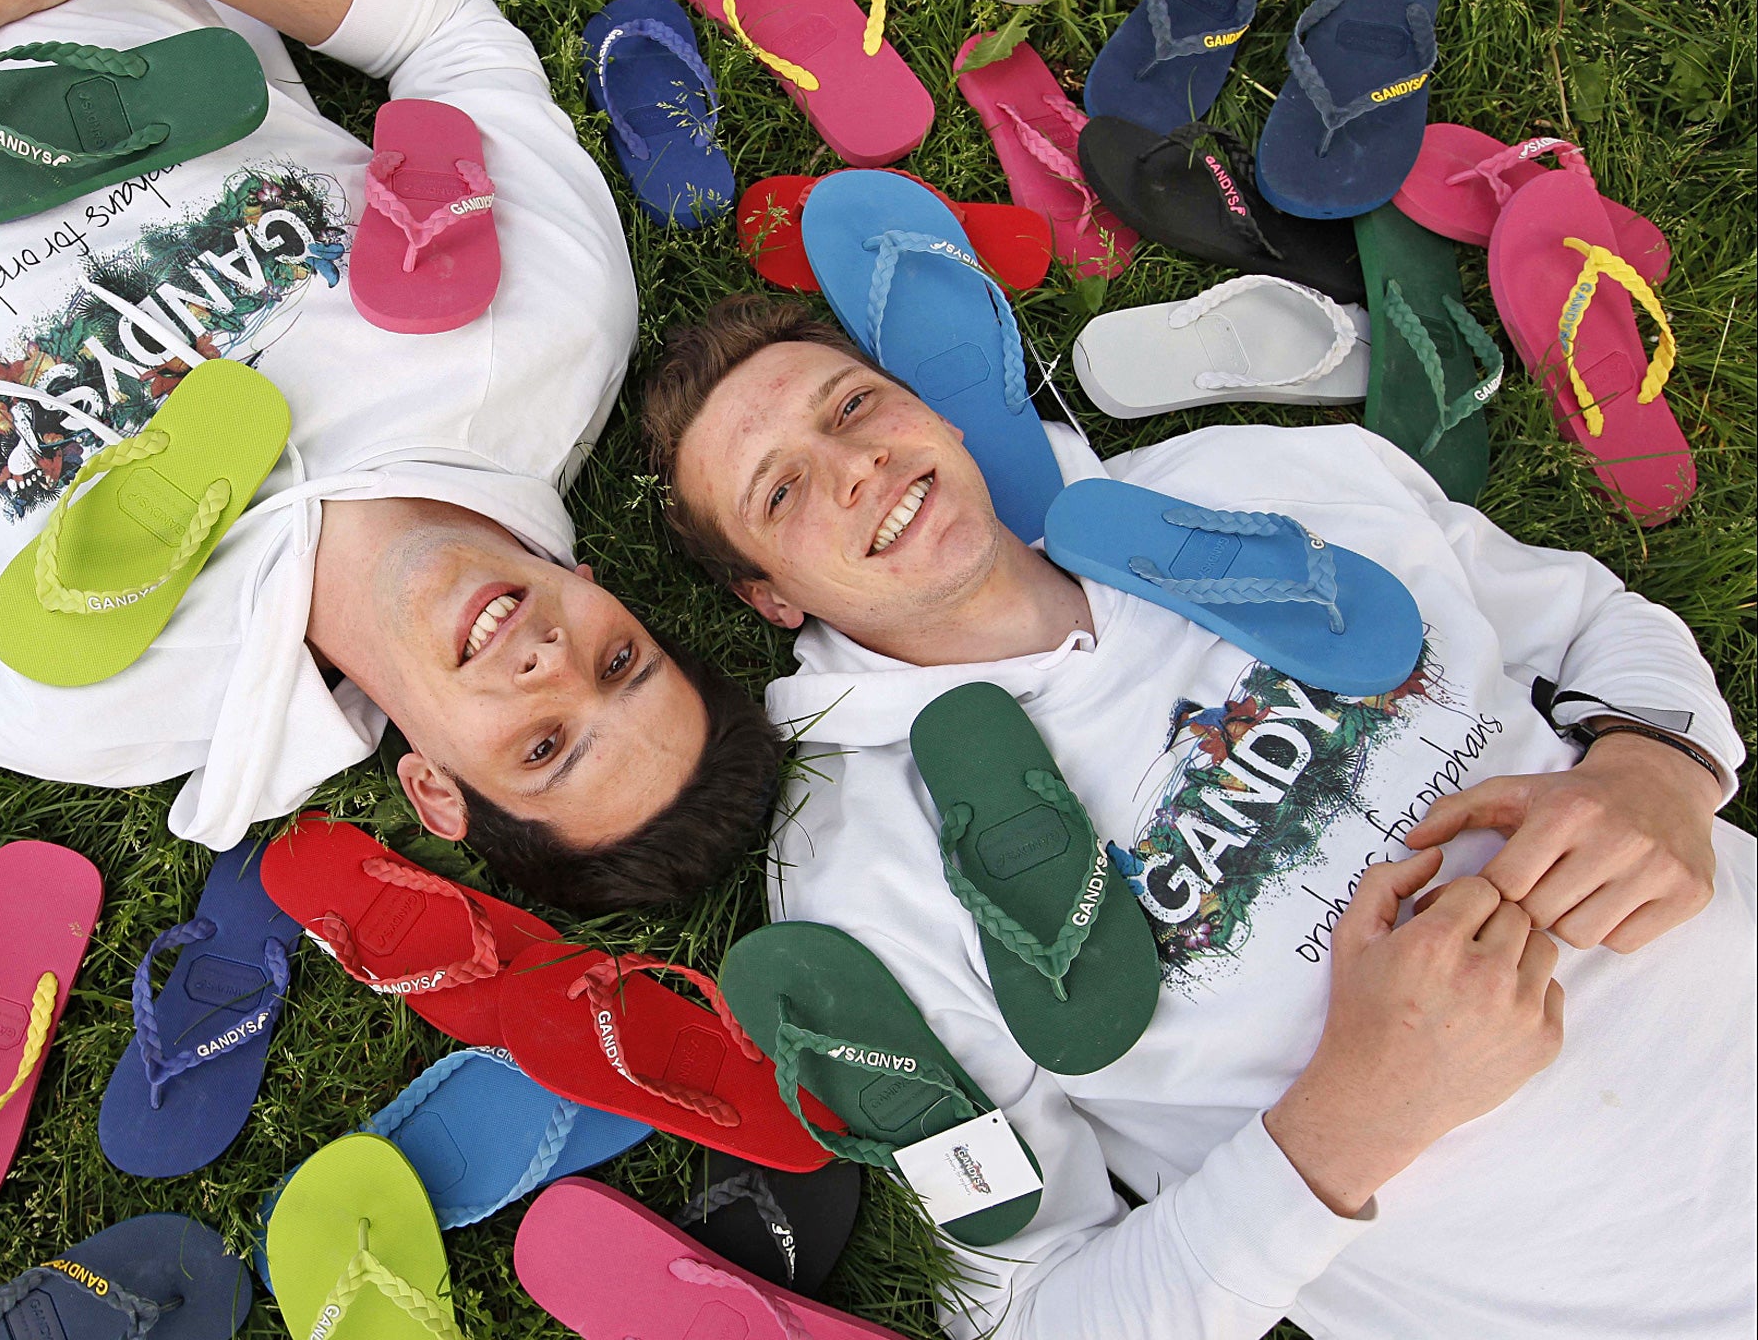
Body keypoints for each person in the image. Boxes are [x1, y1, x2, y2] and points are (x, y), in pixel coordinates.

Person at [0, 0, 783, 912]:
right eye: (618, 664)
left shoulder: (100, 700)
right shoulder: (546, 338)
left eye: (543, 746)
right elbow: (445, 36)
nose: (549, 664)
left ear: (434, 792)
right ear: (614, 600)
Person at [640, 293, 1756, 1339]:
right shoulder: (855, 876)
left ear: (929, 410)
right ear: (768, 597)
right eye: (778, 494)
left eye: (853, 406)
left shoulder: (1245, 480)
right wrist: (1343, 1125)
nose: (854, 468)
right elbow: (1024, 1304)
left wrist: (1658, 768)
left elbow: (1585, 621)